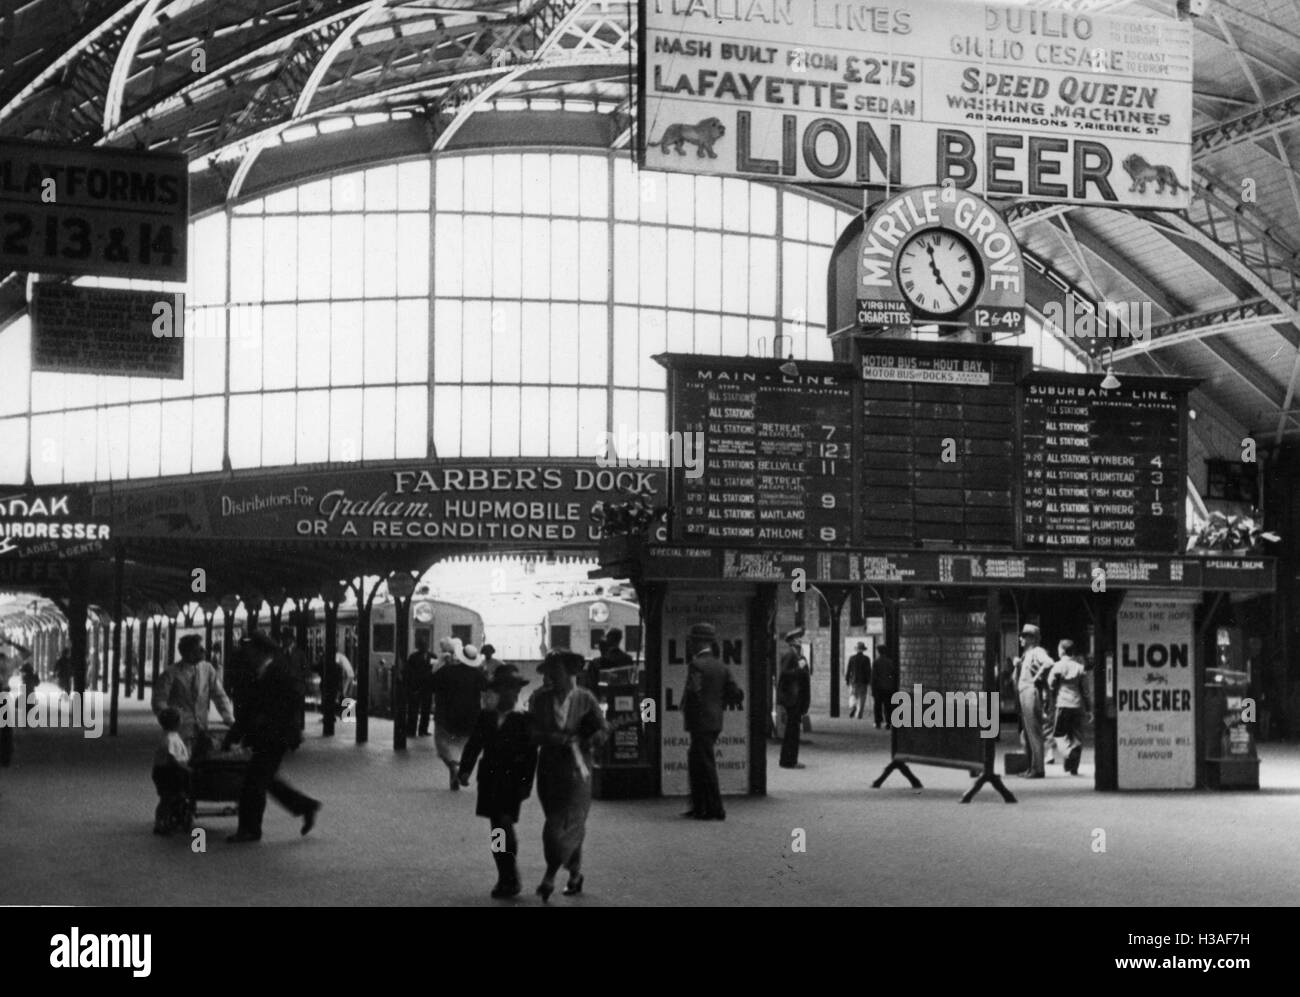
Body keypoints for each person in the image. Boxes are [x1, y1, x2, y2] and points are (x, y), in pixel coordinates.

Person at [528, 650, 609, 901]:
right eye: (549, 671)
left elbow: (603, 729)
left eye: (557, 670)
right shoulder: (539, 699)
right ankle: (574, 874)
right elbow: (531, 732)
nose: (552, 676)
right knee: (563, 821)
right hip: (550, 770)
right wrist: (552, 738)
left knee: (562, 825)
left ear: (571, 673)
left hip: (578, 771)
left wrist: (594, 738)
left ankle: (549, 876)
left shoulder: (586, 699)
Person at [226, 633, 321, 843]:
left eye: (250, 650)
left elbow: (292, 699)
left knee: (253, 783)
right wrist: (235, 734)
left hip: (275, 736)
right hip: (267, 735)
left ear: (261, 651)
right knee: (265, 779)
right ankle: (305, 805)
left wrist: (277, 722)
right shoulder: (263, 670)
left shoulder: (280, 672)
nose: (246, 654)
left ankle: (250, 830)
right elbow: (250, 709)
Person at [458, 665, 538, 898]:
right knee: (497, 829)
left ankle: (510, 873)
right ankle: (504, 873)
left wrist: (526, 785)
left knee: (503, 823)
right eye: (505, 690)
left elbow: (531, 756)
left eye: (513, 690)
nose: (509, 694)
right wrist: (465, 770)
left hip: (512, 782)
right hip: (489, 780)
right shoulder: (486, 717)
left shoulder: (524, 720)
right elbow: (474, 744)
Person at [681, 622, 743, 821]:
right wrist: (718, 702)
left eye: (691, 642)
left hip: (700, 722)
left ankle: (714, 809)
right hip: (714, 721)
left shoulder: (696, 665)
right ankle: (700, 807)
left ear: (698, 643)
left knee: (705, 765)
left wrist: (690, 713)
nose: (689, 646)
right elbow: (736, 694)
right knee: (697, 762)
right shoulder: (721, 666)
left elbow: (693, 693)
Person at [152, 635, 235, 753]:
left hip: (202, 729)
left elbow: (219, 696)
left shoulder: (208, 669)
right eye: (199, 648)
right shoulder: (170, 673)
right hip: (180, 731)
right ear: (188, 652)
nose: (203, 651)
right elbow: (159, 699)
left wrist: (228, 718)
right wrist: (169, 720)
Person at [430, 641, 487, 790]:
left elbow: (431, 684)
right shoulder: (478, 675)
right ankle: (460, 768)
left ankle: (452, 766)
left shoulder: (447, 671)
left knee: (443, 745)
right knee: (465, 746)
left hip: (446, 716)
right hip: (470, 717)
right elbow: (487, 688)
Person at [1044, 639, 1091, 775]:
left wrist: (1048, 704)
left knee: (1059, 734)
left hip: (1062, 703)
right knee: (1077, 735)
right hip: (1077, 704)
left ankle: (1069, 752)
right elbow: (1086, 691)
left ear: (1062, 651)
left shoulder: (1057, 667)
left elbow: (1051, 685)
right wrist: (1088, 709)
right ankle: (1073, 768)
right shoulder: (1080, 668)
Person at [1014, 624, 1055, 779]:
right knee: (1028, 733)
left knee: (1034, 732)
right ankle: (1032, 767)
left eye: (1024, 636)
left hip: (1030, 692)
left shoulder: (1037, 651)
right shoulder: (1027, 655)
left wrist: (1036, 678)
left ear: (1032, 638)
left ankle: (1038, 769)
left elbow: (1049, 662)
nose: (1021, 639)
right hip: (1025, 693)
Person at [152, 706, 192, 835]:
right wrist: (185, 768)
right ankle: (161, 823)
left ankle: (163, 821)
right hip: (168, 772)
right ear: (177, 722)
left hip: (163, 771)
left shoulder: (169, 736)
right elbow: (172, 758)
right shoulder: (171, 739)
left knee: (167, 798)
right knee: (167, 798)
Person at [778, 628, 811, 769]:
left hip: (797, 698)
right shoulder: (789, 655)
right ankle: (788, 761)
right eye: (797, 639)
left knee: (794, 730)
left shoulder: (798, 656)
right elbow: (784, 674)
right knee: (792, 731)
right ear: (792, 641)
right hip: (792, 698)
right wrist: (799, 668)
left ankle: (790, 759)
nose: (800, 641)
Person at [404, 637, 436, 737]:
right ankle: (411, 730)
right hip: (416, 687)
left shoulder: (433, 656)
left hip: (427, 687)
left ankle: (423, 730)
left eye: (425, 646)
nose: (424, 648)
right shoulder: (413, 657)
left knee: (425, 710)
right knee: (413, 710)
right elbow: (409, 672)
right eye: (422, 646)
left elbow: (435, 670)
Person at [871, 647, 899, 729]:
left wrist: (873, 689)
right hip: (888, 687)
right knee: (888, 705)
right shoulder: (890, 662)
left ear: (878, 652)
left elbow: (874, 677)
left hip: (878, 687)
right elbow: (894, 674)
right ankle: (888, 722)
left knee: (877, 705)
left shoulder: (876, 662)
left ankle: (878, 722)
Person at [845, 642, 872, 720]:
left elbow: (848, 670)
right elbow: (868, 671)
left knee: (852, 695)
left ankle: (853, 707)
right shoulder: (866, 659)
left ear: (856, 649)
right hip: (863, 681)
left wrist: (847, 680)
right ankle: (859, 714)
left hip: (853, 681)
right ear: (863, 650)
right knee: (862, 697)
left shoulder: (852, 658)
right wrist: (869, 681)